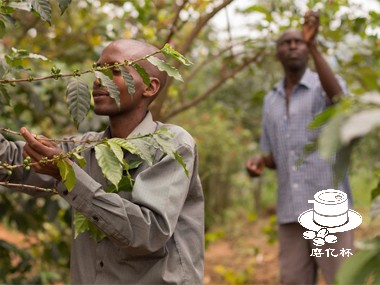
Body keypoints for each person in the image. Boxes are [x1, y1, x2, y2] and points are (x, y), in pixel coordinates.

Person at [0, 39, 204, 284]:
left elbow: (149, 233)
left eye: (115, 71)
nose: (98, 80)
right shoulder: (84, 148)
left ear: (149, 87)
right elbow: (11, 163)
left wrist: (68, 176)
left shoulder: (172, 144)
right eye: (98, 71)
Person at [245, 11, 353, 285]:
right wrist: (259, 161)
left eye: (299, 42)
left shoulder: (323, 86)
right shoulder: (271, 100)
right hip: (290, 212)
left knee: (340, 280)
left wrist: (314, 45)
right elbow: (276, 156)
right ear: (277, 54)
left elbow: (340, 100)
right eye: (286, 42)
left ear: (307, 49)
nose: (293, 45)